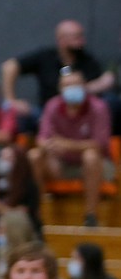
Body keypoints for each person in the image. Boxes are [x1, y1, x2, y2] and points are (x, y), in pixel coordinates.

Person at [27, 66, 114, 227]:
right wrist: (50, 146)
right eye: (67, 85)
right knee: (34, 155)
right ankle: (37, 215)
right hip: (62, 164)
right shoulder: (52, 106)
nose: (72, 89)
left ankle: (91, 217)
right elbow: (41, 139)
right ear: (60, 89)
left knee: (90, 156)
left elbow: (99, 144)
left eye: (76, 84)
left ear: (85, 86)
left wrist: (67, 145)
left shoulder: (98, 107)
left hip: (97, 166)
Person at [2, 19, 112, 134]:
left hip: (79, 116)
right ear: (61, 39)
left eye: (82, 36)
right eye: (77, 37)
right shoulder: (45, 57)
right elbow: (9, 66)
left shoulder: (88, 61)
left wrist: (89, 87)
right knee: (16, 112)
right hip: (45, 112)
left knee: (109, 102)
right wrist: (10, 100)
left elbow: (99, 87)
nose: (82, 41)